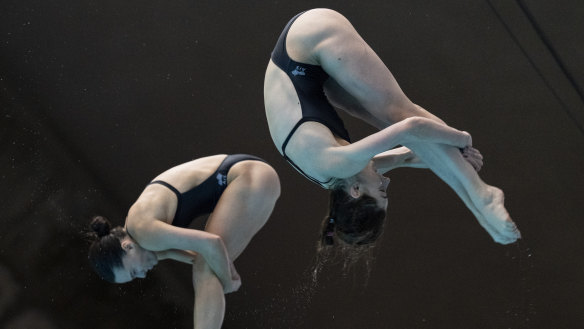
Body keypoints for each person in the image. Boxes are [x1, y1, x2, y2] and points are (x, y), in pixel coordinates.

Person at [263, 8, 520, 248]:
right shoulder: (339, 177)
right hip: (309, 69)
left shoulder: (338, 164)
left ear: (355, 192)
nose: (386, 180)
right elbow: (407, 155)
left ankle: (481, 196)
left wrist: (461, 139)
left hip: (308, 38)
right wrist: (461, 160)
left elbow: (412, 127)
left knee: (396, 112)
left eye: (382, 190)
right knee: (387, 119)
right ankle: (478, 204)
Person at [87, 154, 280, 329]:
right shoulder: (145, 242)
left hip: (247, 176)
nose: (142, 276)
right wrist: (223, 271)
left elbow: (211, 244)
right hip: (251, 177)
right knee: (207, 266)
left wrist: (227, 281)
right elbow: (197, 257)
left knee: (206, 269)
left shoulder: (144, 232)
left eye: (134, 271)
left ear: (127, 247)